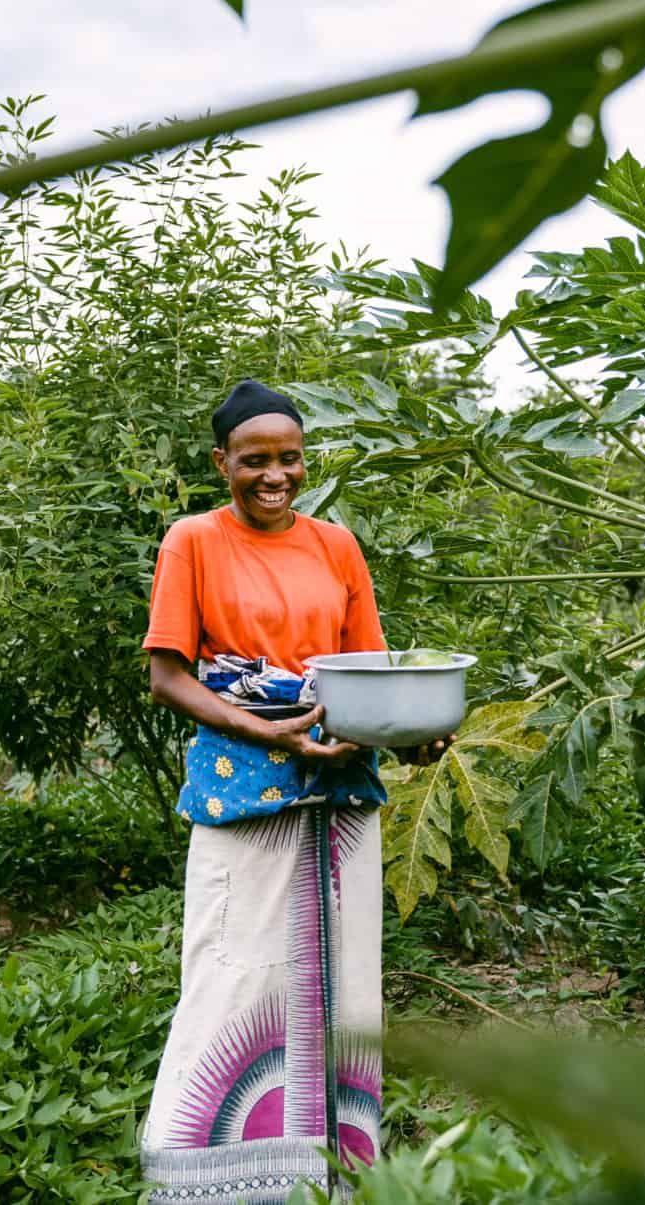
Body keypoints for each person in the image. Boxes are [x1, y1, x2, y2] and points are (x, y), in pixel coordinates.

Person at [137, 378, 450, 1203]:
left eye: (289, 459)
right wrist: (264, 729)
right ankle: (203, 1177)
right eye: (254, 461)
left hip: (340, 794)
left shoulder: (336, 545)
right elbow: (169, 676)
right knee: (232, 973)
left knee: (339, 987)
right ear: (221, 463)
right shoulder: (193, 540)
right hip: (245, 792)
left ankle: (328, 1177)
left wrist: (415, 734)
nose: (274, 476)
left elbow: (367, 675)